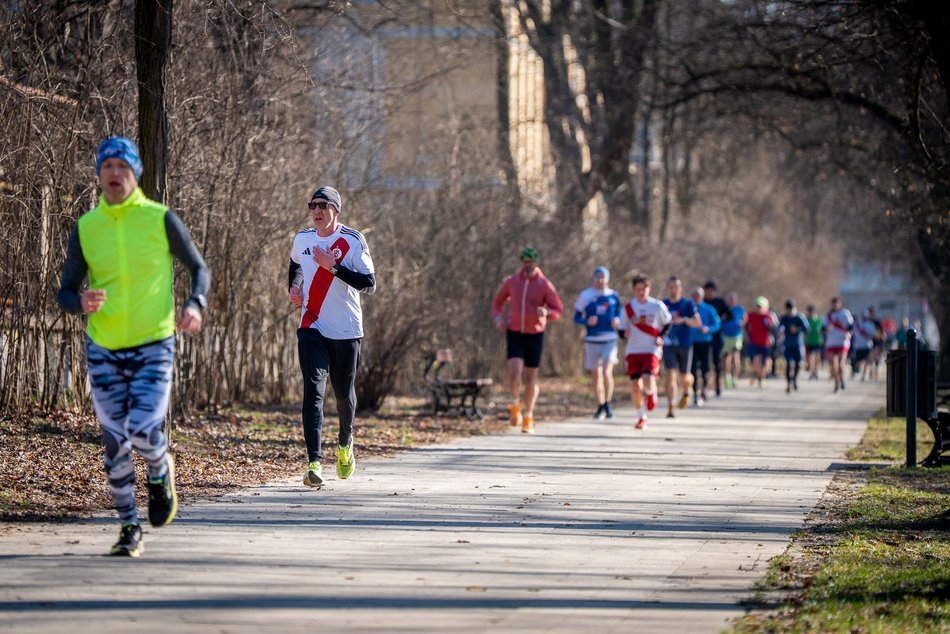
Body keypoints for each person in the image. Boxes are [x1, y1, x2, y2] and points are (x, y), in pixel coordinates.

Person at [57, 137, 209, 557]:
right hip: (104, 347)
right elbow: (65, 292)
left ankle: (160, 470)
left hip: (153, 343)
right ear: (99, 174)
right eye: (107, 166)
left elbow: (198, 268)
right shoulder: (87, 227)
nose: (114, 173)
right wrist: (80, 302)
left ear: (135, 173)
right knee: (114, 442)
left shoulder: (160, 219)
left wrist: (195, 303)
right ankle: (128, 527)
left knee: (143, 429)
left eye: (122, 166)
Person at [288, 186, 376, 488]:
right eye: (313, 205)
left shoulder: (352, 240)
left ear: (335, 210)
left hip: (346, 330)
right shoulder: (303, 239)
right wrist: (294, 288)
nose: (317, 210)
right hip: (312, 324)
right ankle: (314, 462)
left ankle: (345, 443)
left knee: (342, 394)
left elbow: (369, 283)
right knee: (313, 391)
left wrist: (334, 268)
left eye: (323, 205)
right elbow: (296, 264)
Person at [492, 247, 564, 434]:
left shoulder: (544, 284)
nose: (527, 264)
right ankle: (516, 405)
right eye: (524, 261)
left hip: (535, 333)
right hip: (515, 331)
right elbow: (497, 302)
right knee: (514, 373)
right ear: (521, 262)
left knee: (530, 378)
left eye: (530, 261)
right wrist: (498, 319)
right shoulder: (512, 282)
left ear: (536, 262)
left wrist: (547, 313)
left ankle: (529, 415)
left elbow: (558, 310)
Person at [619, 274, 672, 430]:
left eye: (644, 289)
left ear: (649, 289)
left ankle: (650, 393)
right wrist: (624, 333)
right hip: (633, 350)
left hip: (651, 349)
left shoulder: (657, 306)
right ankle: (641, 417)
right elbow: (621, 330)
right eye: (638, 289)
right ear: (633, 290)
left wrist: (661, 337)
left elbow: (668, 323)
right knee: (635, 386)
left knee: (648, 379)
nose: (641, 292)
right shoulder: (628, 308)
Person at [573, 266, 622, 420]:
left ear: (607, 279)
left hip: (610, 338)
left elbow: (620, 313)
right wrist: (586, 320)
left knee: (607, 372)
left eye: (603, 277)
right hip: (592, 339)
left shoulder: (613, 295)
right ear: (594, 278)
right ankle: (600, 404)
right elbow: (576, 317)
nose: (600, 280)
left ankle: (608, 403)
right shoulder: (586, 295)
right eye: (597, 277)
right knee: (596, 375)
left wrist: (617, 320)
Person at [661, 277, 702, 418]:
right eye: (670, 287)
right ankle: (671, 406)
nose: (673, 290)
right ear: (667, 288)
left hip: (685, 344)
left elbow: (697, 322)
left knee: (685, 376)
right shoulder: (663, 304)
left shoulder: (687, 304)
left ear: (680, 288)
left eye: (676, 287)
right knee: (670, 375)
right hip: (668, 344)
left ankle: (687, 390)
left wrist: (684, 320)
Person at [689, 287, 721, 406]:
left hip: (705, 342)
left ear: (702, 297)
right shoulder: (689, 308)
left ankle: (705, 389)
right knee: (692, 369)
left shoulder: (709, 309)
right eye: (694, 295)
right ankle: (694, 393)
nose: (696, 297)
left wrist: (709, 329)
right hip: (691, 343)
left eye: (698, 295)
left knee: (705, 368)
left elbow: (717, 323)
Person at [703, 281, 731, 396]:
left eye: (711, 291)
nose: (709, 293)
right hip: (704, 337)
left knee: (717, 360)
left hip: (717, 336)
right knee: (705, 361)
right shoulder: (702, 302)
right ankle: (705, 385)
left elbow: (730, 315)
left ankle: (718, 384)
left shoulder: (719, 302)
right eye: (707, 291)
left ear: (714, 291)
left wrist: (720, 321)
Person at [778, 299, 809, 393]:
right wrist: (781, 330)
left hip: (798, 344)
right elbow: (779, 327)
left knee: (798, 363)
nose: (790, 311)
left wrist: (797, 329)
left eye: (791, 309)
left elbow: (807, 328)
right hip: (787, 344)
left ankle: (794, 379)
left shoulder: (800, 317)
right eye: (788, 309)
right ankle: (788, 384)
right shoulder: (783, 318)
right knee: (788, 364)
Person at [825, 296, 854, 392]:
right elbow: (823, 328)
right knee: (834, 365)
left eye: (836, 303)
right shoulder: (828, 315)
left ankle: (843, 378)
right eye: (833, 304)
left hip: (842, 341)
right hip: (831, 342)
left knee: (841, 364)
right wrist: (826, 330)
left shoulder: (845, 313)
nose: (835, 305)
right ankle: (836, 382)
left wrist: (849, 333)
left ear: (839, 304)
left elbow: (851, 326)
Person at [745, 296, 775, 388]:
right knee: (753, 360)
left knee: (764, 362)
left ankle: (761, 378)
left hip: (765, 343)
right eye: (757, 306)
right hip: (753, 341)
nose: (758, 308)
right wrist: (747, 334)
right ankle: (756, 375)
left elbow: (772, 329)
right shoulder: (750, 315)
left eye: (760, 306)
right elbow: (745, 325)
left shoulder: (767, 316)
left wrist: (768, 325)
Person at [720, 291, 747, 389]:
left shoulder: (739, 309)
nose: (731, 301)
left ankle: (735, 378)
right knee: (726, 358)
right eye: (729, 299)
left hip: (736, 336)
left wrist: (742, 322)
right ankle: (727, 377)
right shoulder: (724, 309)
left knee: (735, 356)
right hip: (725, 336)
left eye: (733, 299)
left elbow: (745, 319)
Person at [851, 308, 876, 381]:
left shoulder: (871, 324)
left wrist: (868, 335)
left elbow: (873, 334)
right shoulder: (858, 324)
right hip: (858, 346)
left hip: (867, 345)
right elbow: (854, 333)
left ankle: (864, 375)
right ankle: (854, 371)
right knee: (858, 361)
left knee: (867, 360)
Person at [804, 304, 825, 380]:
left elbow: (823, 330)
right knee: (810, 357)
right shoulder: (806, 320)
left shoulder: (819, 320)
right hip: (809, 341)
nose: (810, 313)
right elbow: (804, 331)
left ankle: (815, 371)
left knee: (817, 358)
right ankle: (812, 372)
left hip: (818, 341)